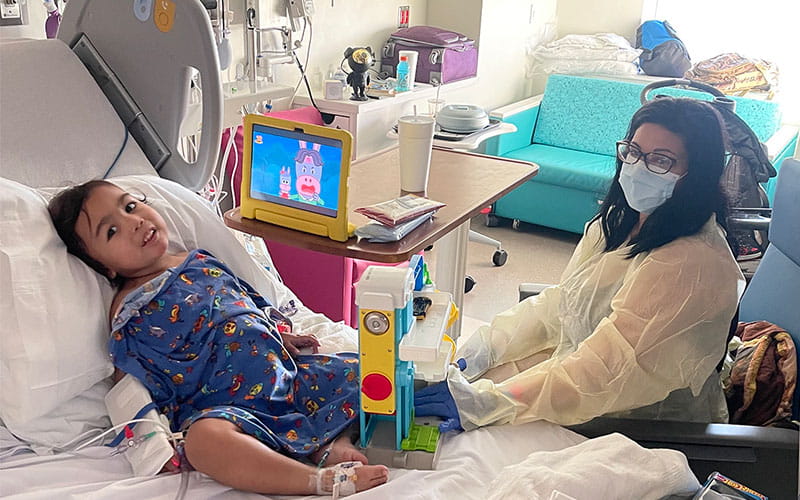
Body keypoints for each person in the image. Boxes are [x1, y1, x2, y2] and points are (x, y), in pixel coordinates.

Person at [415, 97, 744, 432]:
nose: (637, 167)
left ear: (697, 175)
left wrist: (488, 402)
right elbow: (564, 303)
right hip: (584, 383)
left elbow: (608, 371)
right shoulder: (619, 222)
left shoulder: (691, 263)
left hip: (640, 425)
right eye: (632, 151)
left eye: (661, 160)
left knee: (477, 434)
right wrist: (484, 347)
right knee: (467, 389)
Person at [48, 180, 388, 496]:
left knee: (372, 371)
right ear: (104, 266)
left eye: (131, 206)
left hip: (287, 380)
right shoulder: (128, 309)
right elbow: (127, 386)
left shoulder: (199, 260)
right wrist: (150, 443)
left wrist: (280, 335)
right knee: (204, 442)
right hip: (228, 408)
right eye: (111, 230)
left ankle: (331, 443)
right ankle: (315, 480)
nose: (133, 221)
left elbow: (246, 302)